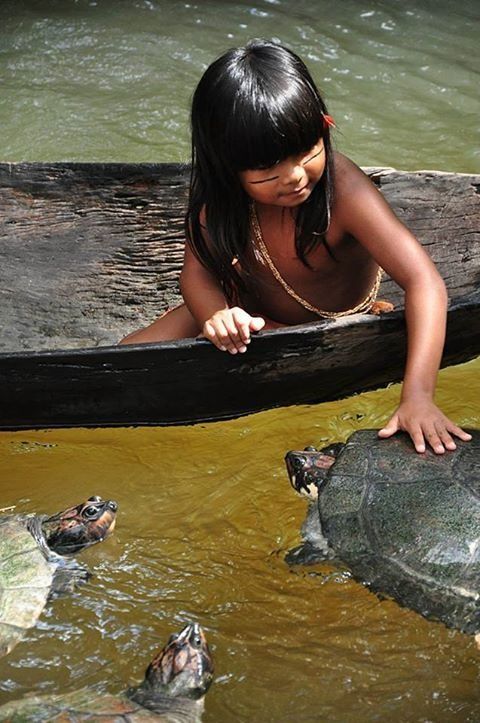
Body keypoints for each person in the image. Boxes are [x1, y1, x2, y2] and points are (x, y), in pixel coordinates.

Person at [120, 39, 471, 456]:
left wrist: (418, 395)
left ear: (324, 126)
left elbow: (423, 282)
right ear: (226, 166)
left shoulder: (344, 191)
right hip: (244, 310)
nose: (293, 176)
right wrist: (214, 315)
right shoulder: (218, 200)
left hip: (330, 318)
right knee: (124, 360)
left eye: (305, 151)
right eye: (268, 168)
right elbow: (197, 273)